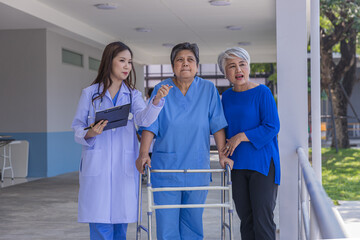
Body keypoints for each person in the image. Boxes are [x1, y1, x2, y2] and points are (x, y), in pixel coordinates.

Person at [71, 41, 172, 240]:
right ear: (110, 62)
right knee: (100, 225)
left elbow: (143, 119)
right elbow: (77, 127)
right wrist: (90, 132)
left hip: (123, 166)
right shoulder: (90, 94)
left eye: (130, 62)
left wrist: (156, 101)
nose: (127, 66)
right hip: (97, 167)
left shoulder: (132, 94)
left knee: (120, 226)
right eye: (122, 61)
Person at [136, 42, 232, 240]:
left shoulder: (208, 89)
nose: (185, 64)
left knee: (193, 224)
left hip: (198, 168)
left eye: (190, 60)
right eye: (180, 60)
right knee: (167, 226)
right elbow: (150, 125)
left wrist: (222, 155)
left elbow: (217, 124)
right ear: (173, 66)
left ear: (197, 65)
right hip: (166, 169)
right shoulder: (162, 88)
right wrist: (143, 154)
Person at [217, 47, 280, 240]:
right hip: (237, 165)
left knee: (263, 220)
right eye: (232, 66)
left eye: (242, 64)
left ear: (248, 67)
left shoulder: (263, 92)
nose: (238, 70)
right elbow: (221, 126)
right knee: (246, 219)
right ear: (225, 72)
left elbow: (272, 126)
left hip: (262, 163)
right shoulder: (226, 97)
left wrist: (241, 136)